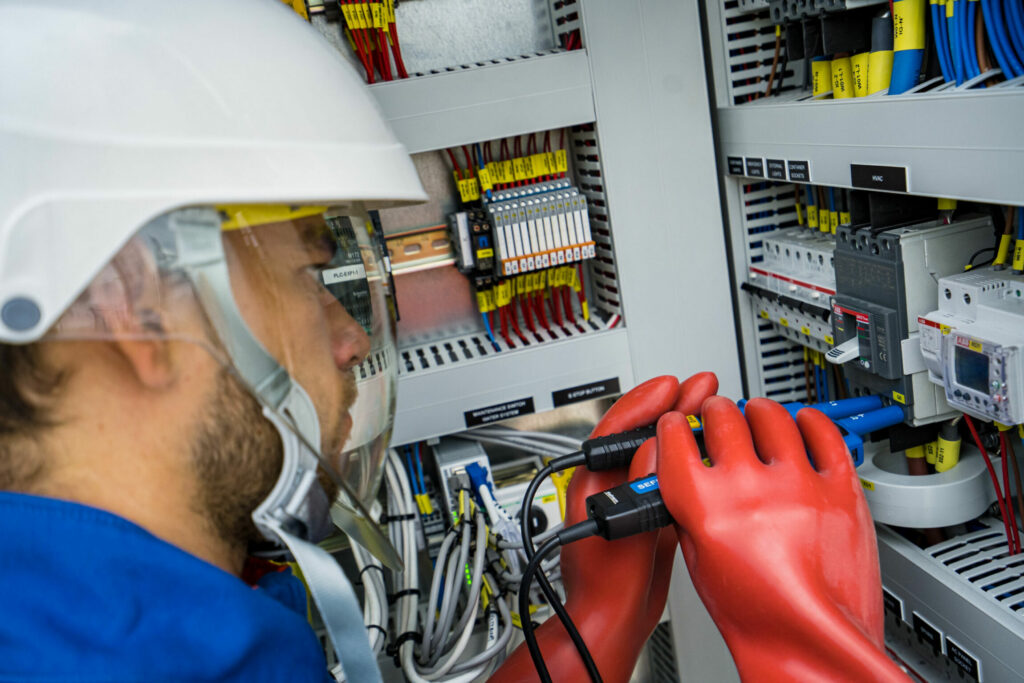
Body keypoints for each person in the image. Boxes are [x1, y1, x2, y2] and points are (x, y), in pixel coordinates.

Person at [0, 1, 908, 681]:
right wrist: (810, 646)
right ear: (137, 300)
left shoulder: (100, 620)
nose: (351, 336)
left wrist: (589, 617)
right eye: (309, 272)